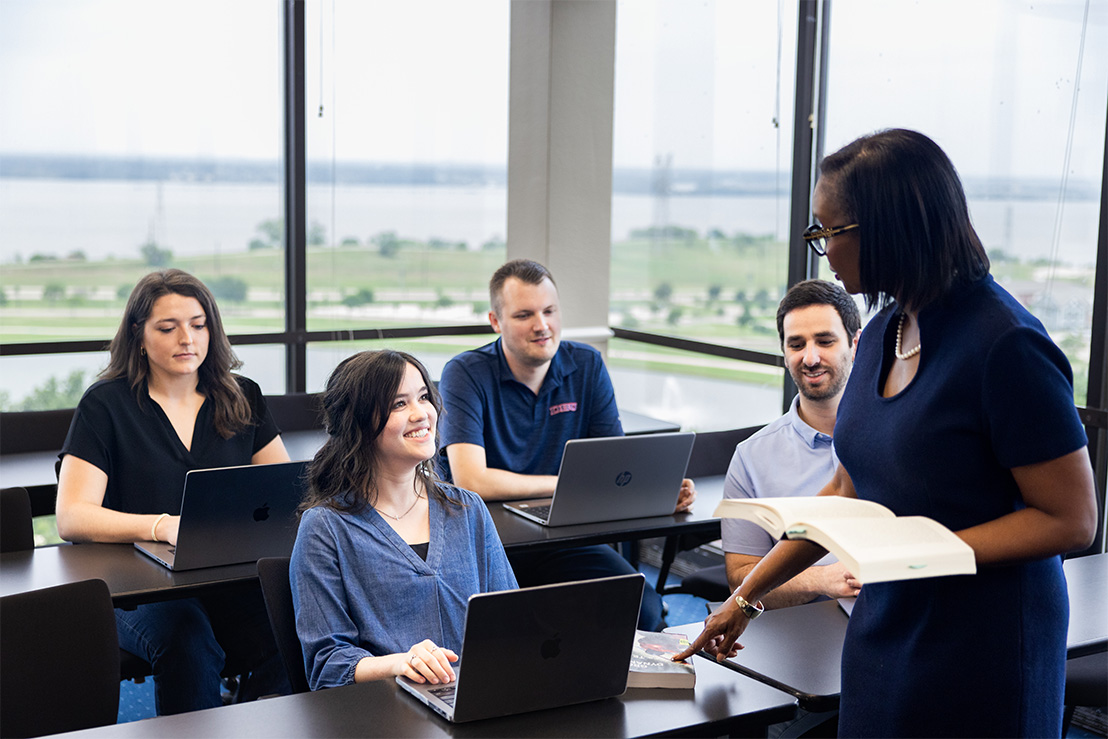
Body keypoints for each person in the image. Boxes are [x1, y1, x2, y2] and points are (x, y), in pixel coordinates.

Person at [676, 129, 1097, 738]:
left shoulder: (1007, 346)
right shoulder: (879, 334)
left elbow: (1071, 519)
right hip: (885, 625)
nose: (823, 249)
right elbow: (848, 493)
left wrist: (920, 556)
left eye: (829, 231)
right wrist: (745, 599)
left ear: (887, 227)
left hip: (984, 643)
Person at [55, 268, 291, 715]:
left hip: (224, 576)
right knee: (189, 641)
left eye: (198, 325)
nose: (187, 338)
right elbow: (72, 516)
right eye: (168, 327)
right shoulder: (105, 405)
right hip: (135, 589)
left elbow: (284, 492)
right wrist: (161, 527)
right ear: (138, 335)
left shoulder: (243, 396)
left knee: (296, 619)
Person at [438, 259, 693, 630]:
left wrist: (655, 492)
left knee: (642, 609)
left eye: (549, 311)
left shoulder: (586, 364)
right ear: (496, 322)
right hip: (488, 544)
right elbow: (471, 481)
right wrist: (567, 483)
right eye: (524, 314)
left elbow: (618, 468)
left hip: (564, 537)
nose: (542, 326)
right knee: (510, 628)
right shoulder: (464, 373)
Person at [290, 350, 517, 690]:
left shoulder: (467, 509)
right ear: (359, 423)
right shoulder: (325, 528)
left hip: (481, 697)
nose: (421, 414)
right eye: (399, 404)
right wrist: (401, 663)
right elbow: (327, 667)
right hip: (389, 708)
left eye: (424, 397)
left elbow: (512, 621)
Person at [722, 279, 863, 608]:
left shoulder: (896, 438)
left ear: (855, 344)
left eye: (825, 341)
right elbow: (738, 579)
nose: (810, 358)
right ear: (784, 353)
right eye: (796, 344)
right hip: (800, 634)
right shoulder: (752, 457)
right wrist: (821, 579)